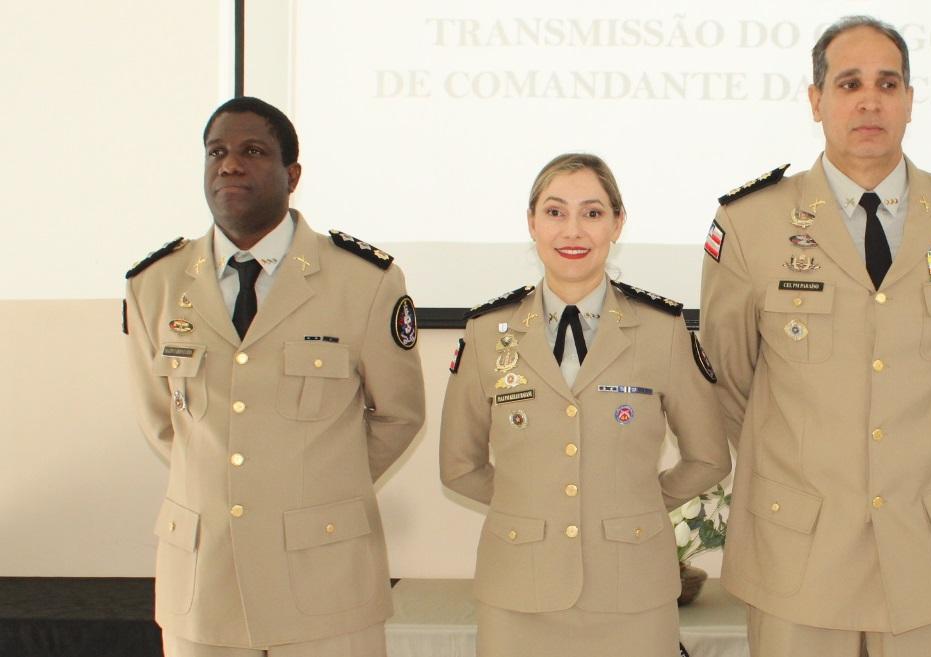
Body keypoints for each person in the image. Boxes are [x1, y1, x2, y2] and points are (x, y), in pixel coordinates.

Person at [700, 16, 931, 657]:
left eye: (887, 83)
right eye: (849, 83)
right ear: (816, 101)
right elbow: (730, 382)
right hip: (802, 553)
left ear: (909, 101)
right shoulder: (751, 223)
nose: (870, 100)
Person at [124, 96, 426, 657]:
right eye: (217, 152)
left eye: (252, 151)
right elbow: (163, 422)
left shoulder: (362, 280)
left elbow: (398, 415)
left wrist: (313, 483)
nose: (229, 165)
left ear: (293, 175)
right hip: (204, 582)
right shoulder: (154, 284)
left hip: (325, 578)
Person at [440, 153, 730, 657]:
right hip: (519, 593)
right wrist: (532, 505)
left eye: (592, 213)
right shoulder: (488, 332)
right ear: (531, 222)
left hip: (633, 591)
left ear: (618, 223)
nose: (572, 230)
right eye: (555, 212)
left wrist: (630, 503)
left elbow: (709, 457)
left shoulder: (662, 331)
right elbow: (458, 466)